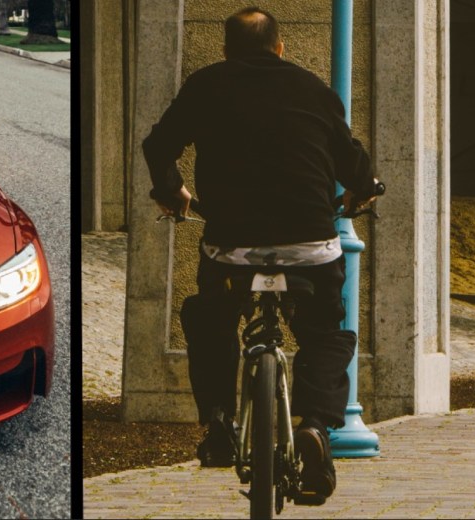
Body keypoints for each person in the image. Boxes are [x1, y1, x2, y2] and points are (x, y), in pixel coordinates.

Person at [142, 6, 378, 504]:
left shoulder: (206, 85)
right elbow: (351, 160)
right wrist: (363, 190)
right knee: (326, 334)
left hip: (232, 246)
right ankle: (315, 427)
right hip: (310, 245)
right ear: (280, 47)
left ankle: (220, 423)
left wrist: (173, 190)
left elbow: (158, 144)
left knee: (211, 318)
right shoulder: (316, 91)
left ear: (227, 50)